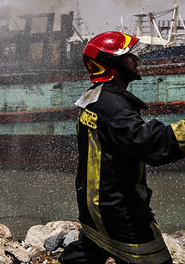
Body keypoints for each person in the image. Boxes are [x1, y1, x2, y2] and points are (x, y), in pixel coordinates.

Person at [59, 31, 184, 264]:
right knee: (153, 259)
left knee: (90, 249)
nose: (136, 60)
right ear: (111, 62)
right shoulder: (112, 105)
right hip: (119, 210)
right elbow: (147, 143)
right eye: (129, 56)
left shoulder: (94, 98)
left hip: (95, 204)